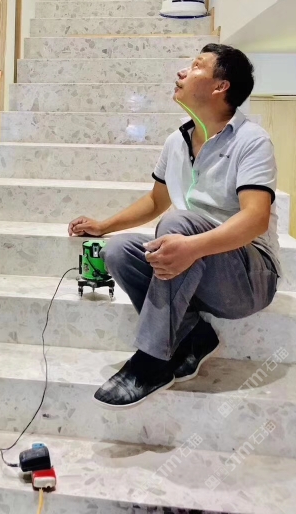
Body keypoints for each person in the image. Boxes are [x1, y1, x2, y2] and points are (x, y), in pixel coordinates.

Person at [69, 44, 280, 409]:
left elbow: (255, 217)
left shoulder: (251, 140)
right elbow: (156, 201)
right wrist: (104, 226)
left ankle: (152, 361)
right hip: (197, 263)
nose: (182, 72)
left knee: (177, 222)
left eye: (196, 66)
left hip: (249, 277)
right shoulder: (177, 140)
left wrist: (193, 246)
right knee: (119, 251)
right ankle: (194, 336)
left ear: (220, 87)